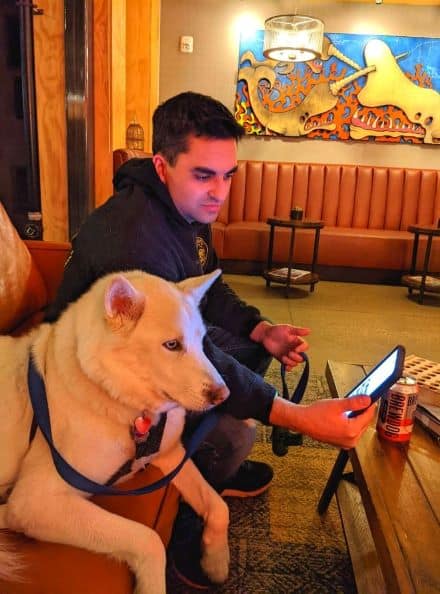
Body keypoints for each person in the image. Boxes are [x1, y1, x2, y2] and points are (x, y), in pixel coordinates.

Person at [45, 91, 375, 589]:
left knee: (247, 356)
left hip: (153, 351)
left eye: (228, 175)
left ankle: (216, 456)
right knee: (237, 429)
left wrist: (261, 329)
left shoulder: (184, 211)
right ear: (162, 165)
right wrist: (297, 417)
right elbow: (192, 349)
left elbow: (208, 287)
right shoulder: (137, 240)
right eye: (204, 175)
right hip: (95, 383)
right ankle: (187, 526)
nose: (219, 192)